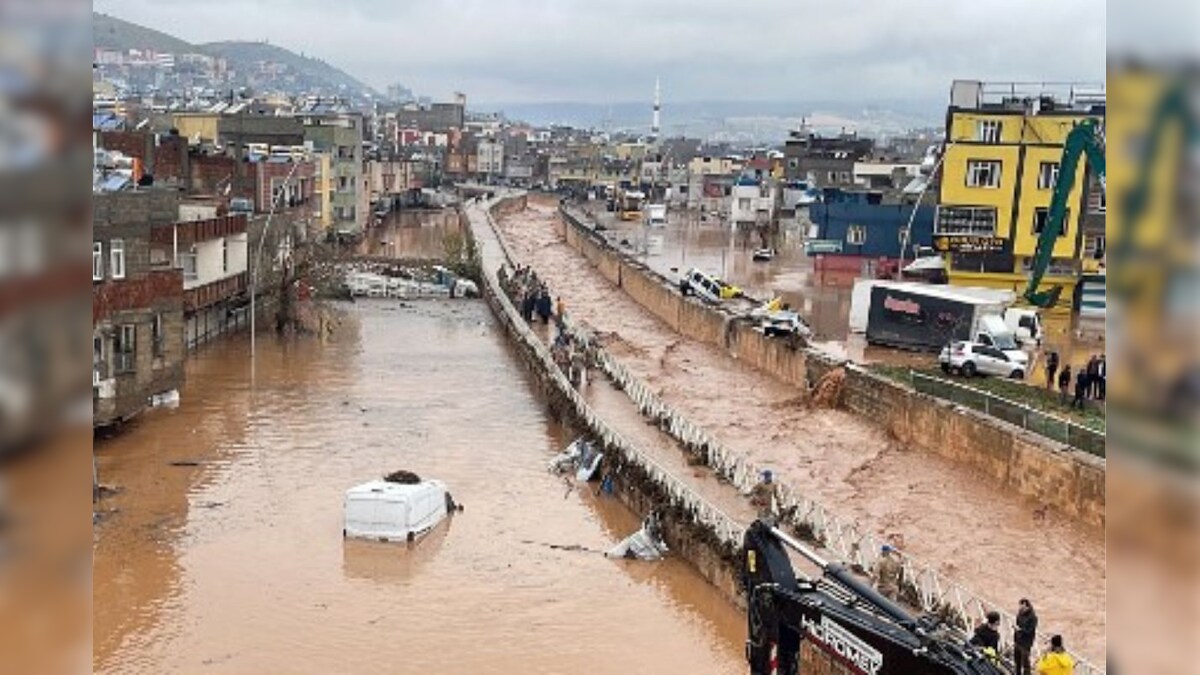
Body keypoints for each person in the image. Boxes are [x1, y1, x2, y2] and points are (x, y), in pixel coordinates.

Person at [1014, 599, 1039, 675]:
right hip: (1018, 641)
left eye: (1022, 606)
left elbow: (1030, 631)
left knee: (1025, 663)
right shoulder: (1020, 613)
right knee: (1017, 661)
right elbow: (1017, 623)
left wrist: (1020, 630)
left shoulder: (1033, 617)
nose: (1020, 608)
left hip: (1026, 643)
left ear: (1026, 605)